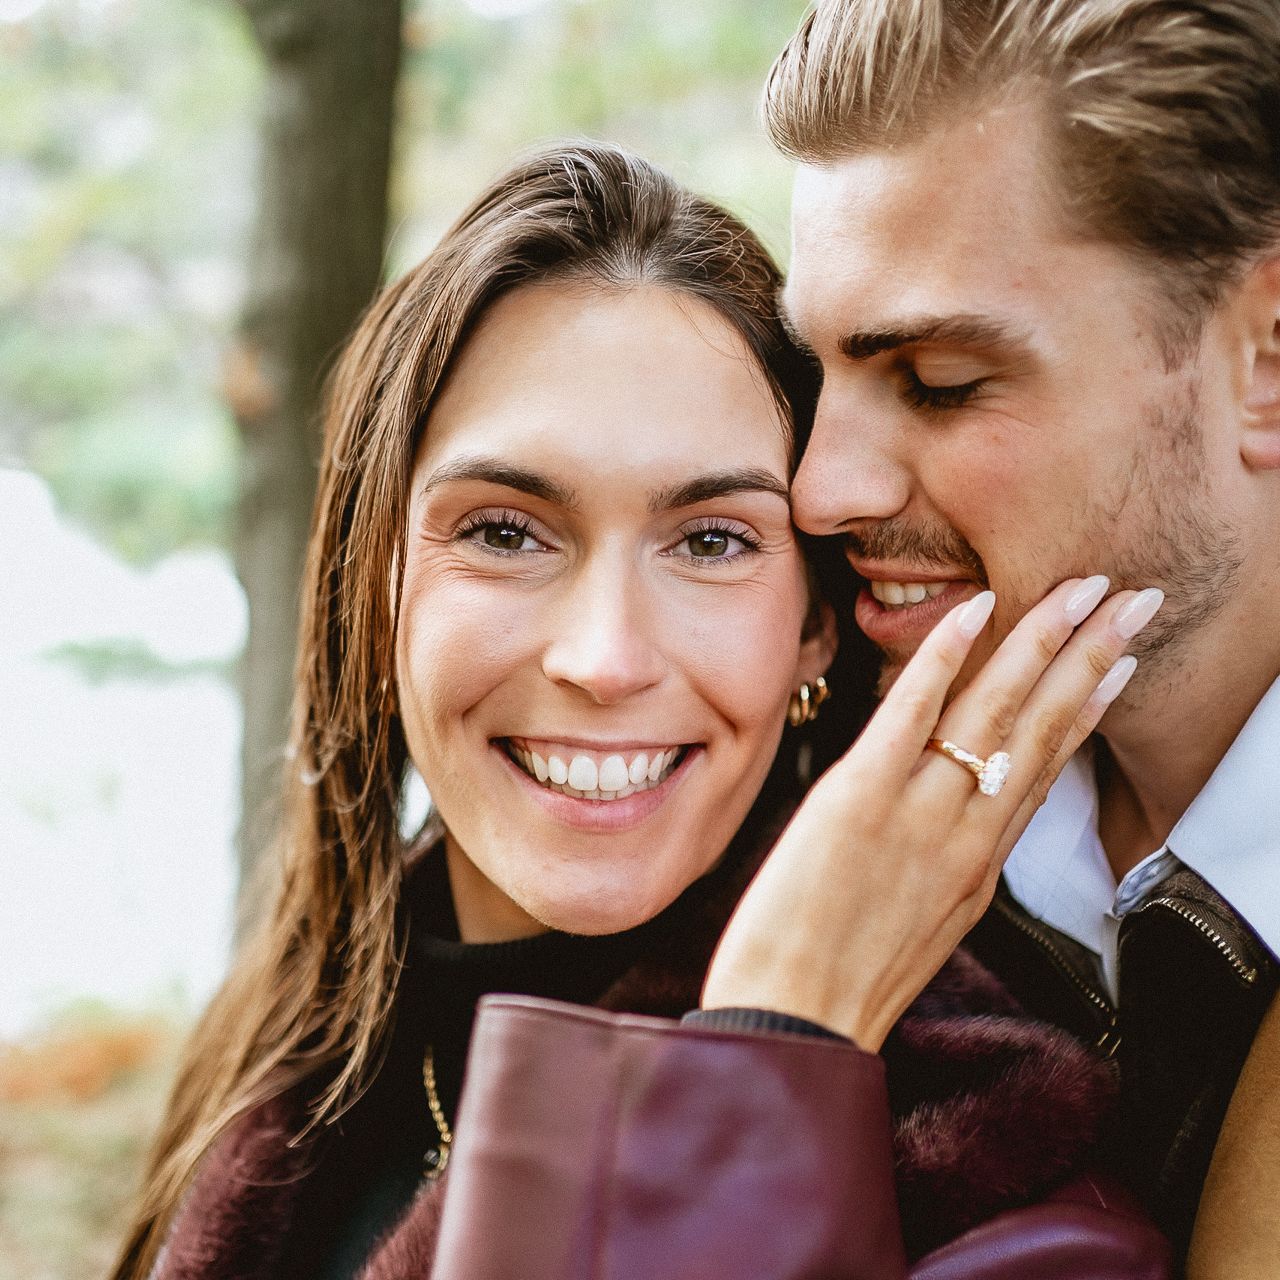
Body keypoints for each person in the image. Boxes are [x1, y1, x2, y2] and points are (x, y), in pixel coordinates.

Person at [111, 143, 1168, 1280]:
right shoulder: (294, 1051)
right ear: (375, 585)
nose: (604, 658)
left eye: (710, 540)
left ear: (814, 626)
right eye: (505, 531)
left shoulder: (1005, 1180)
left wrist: (766, 1051)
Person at [761, 0, 1280, 1262]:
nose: (817, 489)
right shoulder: (788, 784)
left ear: (1264, 358)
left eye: (939, 382)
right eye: (814, 377)